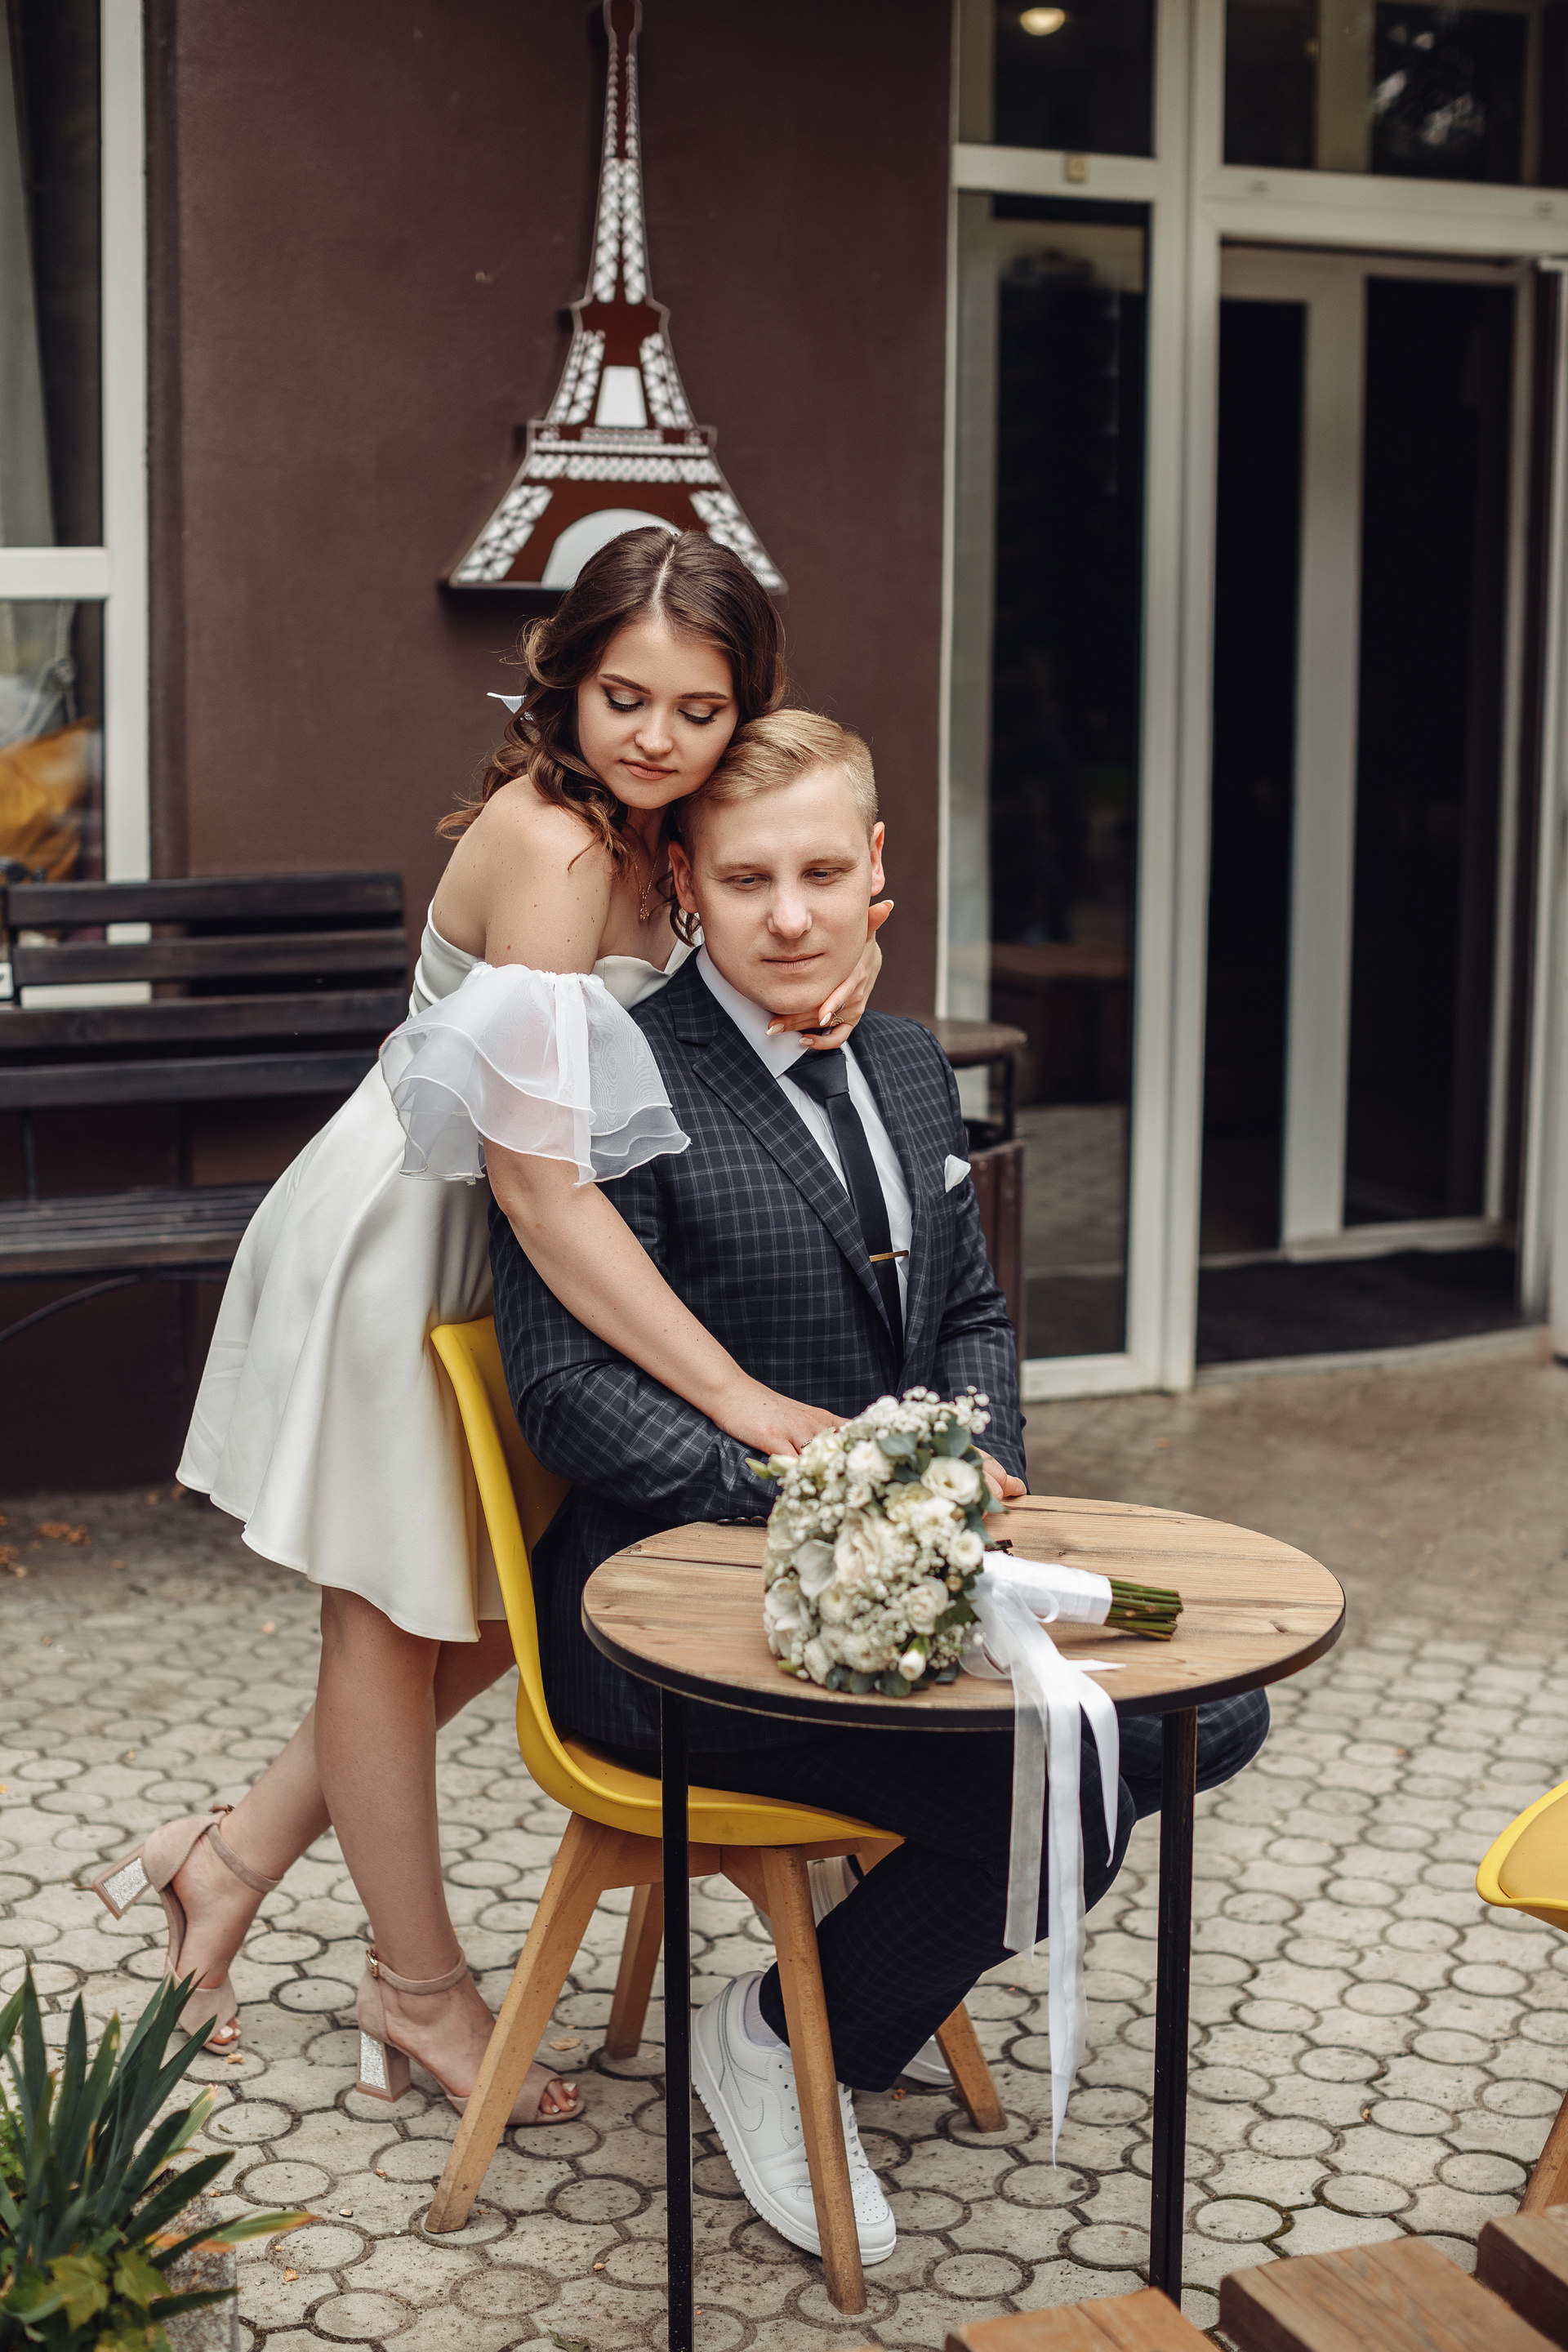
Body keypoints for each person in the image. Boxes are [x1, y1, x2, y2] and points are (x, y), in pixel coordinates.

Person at [91, 530, 888, 2129]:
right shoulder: (559, 847)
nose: (655, 737)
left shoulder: (668, 830)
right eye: (624, 697)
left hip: (533, 1254)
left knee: (495, 1619)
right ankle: (417, 1987)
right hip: (423, 1240)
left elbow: (725, 988)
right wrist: (734, 1393)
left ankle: (222, 1862)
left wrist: (838, 970)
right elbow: (537, 1180)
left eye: (700, 709)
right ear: (567, 676)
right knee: (390, 1628)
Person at [491, 709, 1271, 2259]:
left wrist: (978, 1463)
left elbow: (969, 1310)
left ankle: (818, 2002)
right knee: (1063, 1784)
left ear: (875, 871)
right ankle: (792, 2041)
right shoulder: (607, 1080)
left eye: (821, 874)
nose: (790, 916)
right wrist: (831, 1498)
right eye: (747, 878)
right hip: (673, 1623)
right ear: (682, 882)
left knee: (1210, 1713)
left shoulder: (910, 1064)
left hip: (911, 1587)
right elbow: (567, 1397)